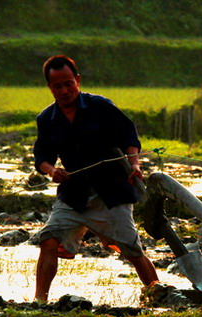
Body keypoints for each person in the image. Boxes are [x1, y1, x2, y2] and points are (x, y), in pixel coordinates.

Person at [33, 55, 158, 301]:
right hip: (74, 192)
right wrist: (52, 171)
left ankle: (158, 294)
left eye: (69, 83)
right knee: (48, 239)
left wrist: (135, 164)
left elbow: (129, 138)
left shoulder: (100, 106)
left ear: (77, 80)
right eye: (58, 86)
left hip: (112, 189)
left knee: (132, 249)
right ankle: (39, 301)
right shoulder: (47, 119)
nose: (65, 90)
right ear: (50, 87)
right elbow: (41, 158)